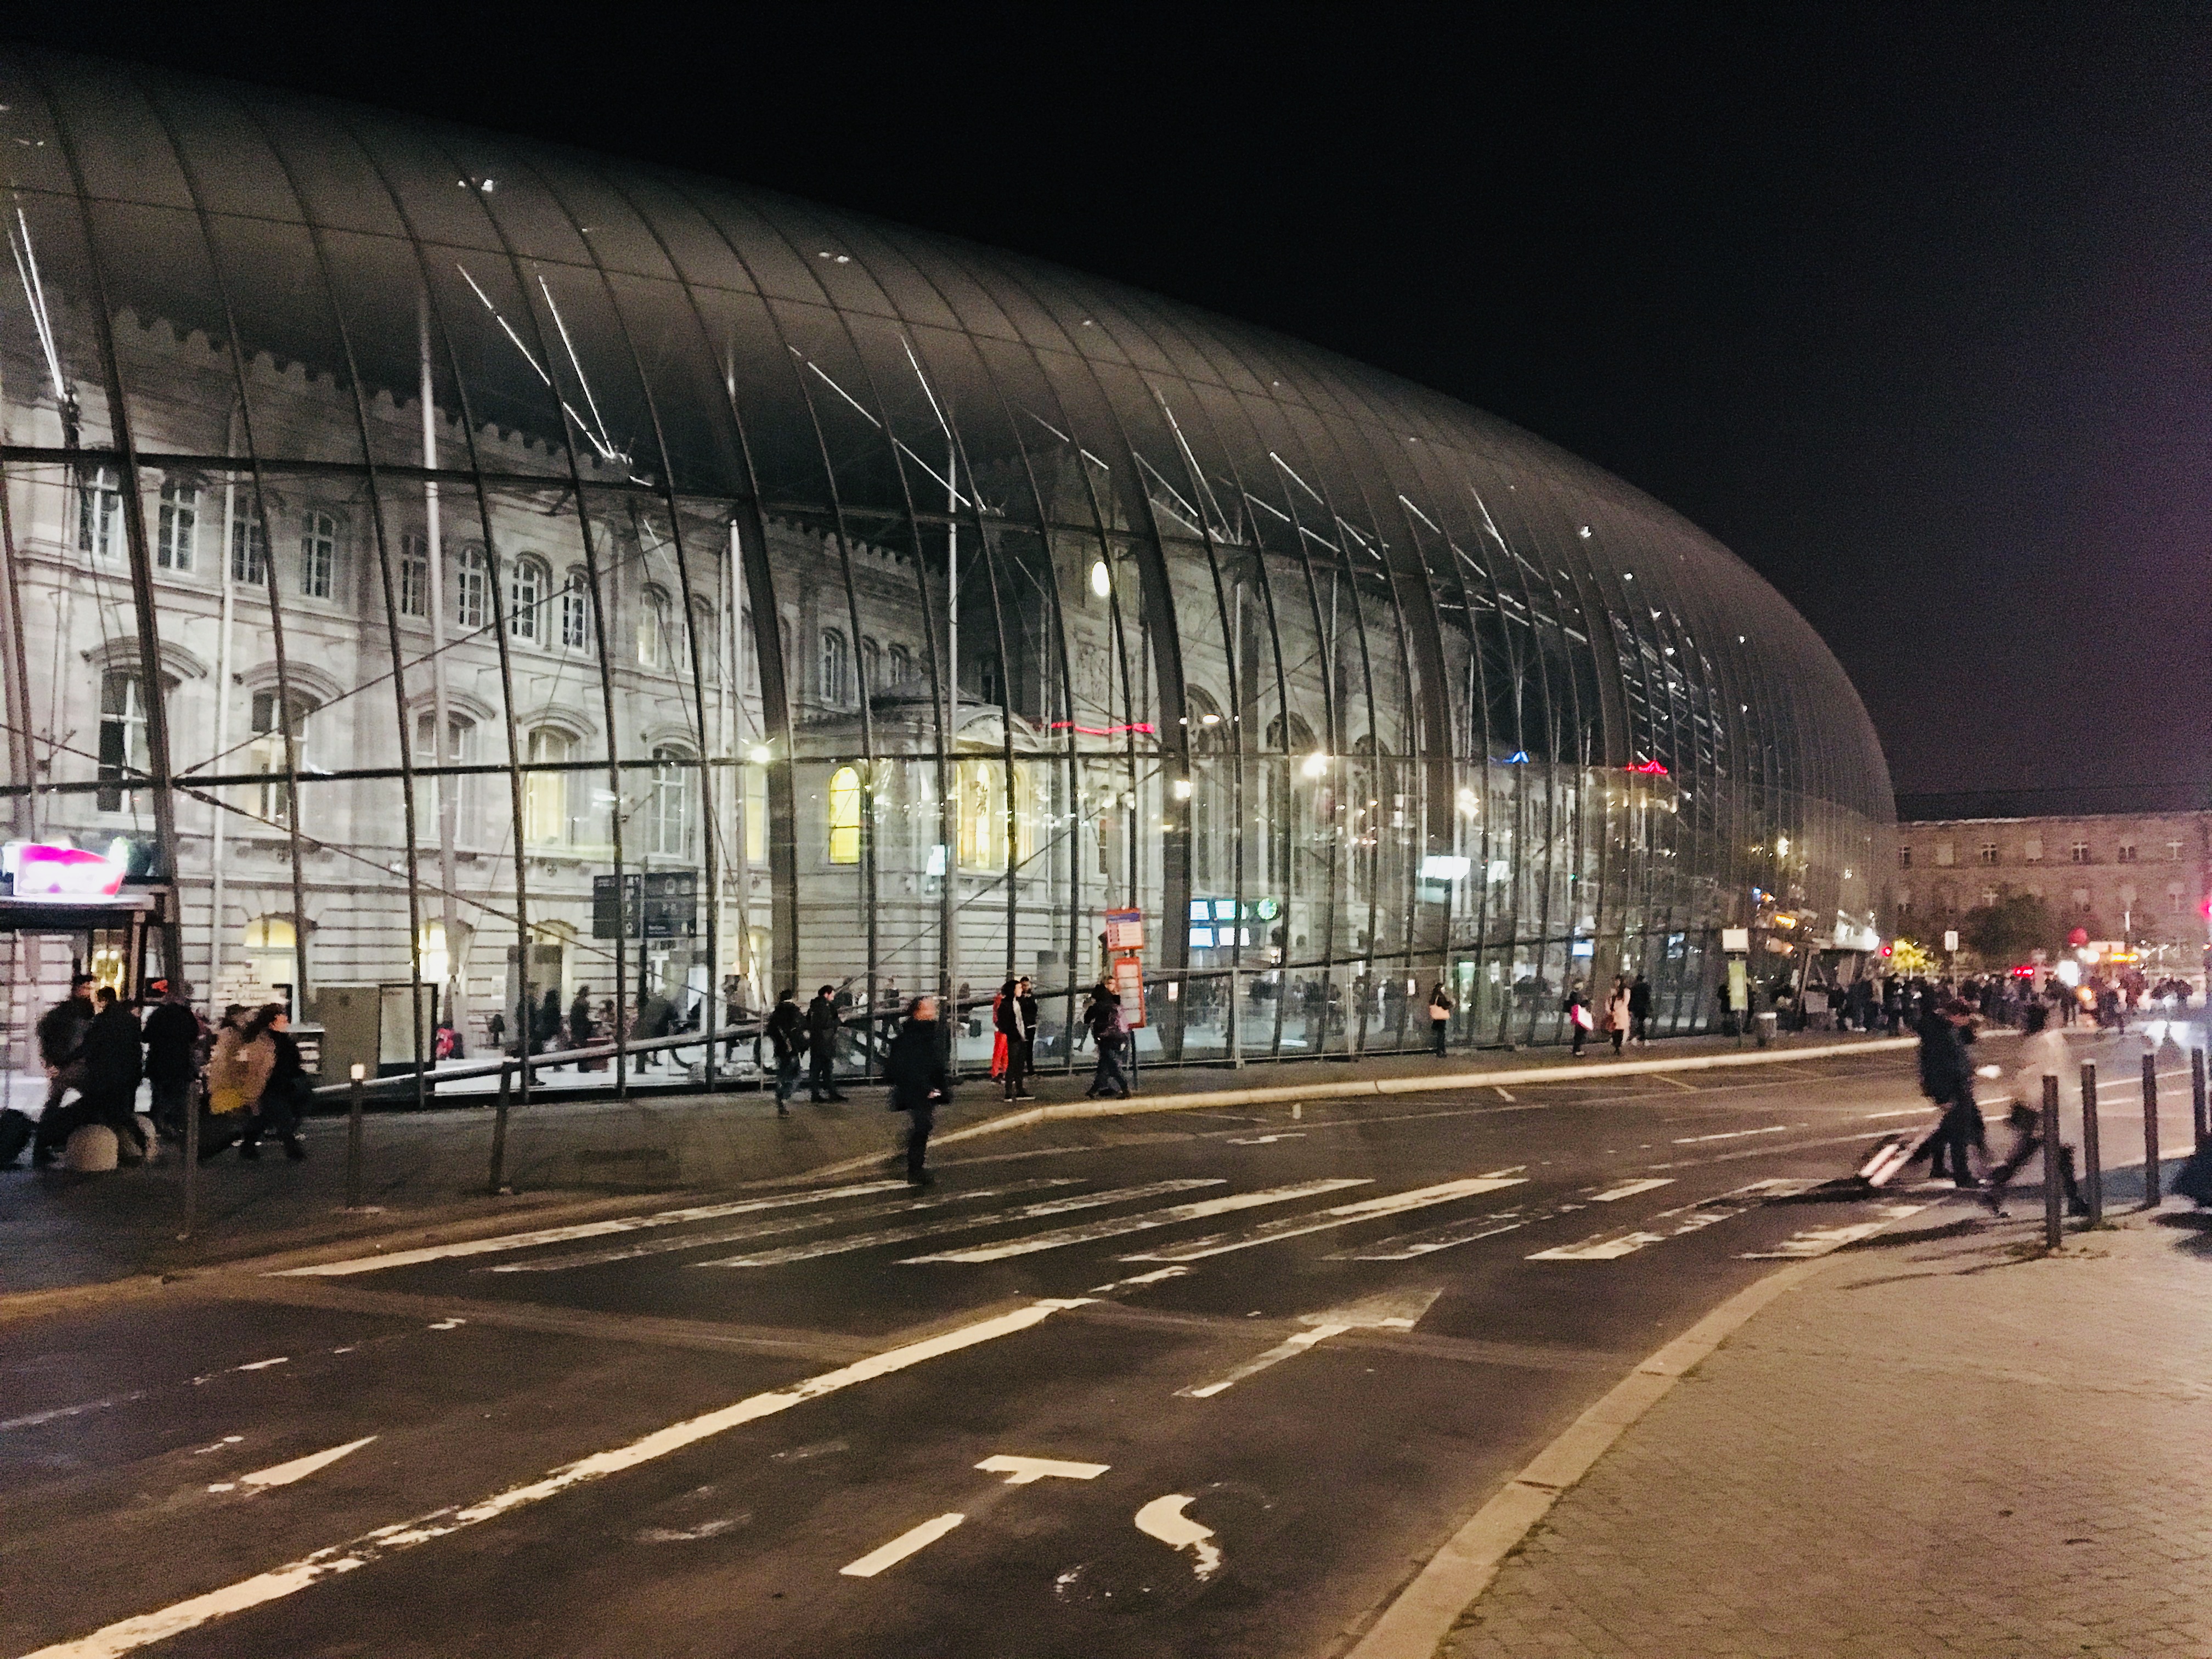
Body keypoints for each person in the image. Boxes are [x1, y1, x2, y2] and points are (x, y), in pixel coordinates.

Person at [1984, 1002, 2083, 1217]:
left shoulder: (2036, 1041)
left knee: (2035, 1152)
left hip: (2046, 1104)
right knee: (2057, 1153)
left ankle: (1996, 1188)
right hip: (2051, 1105)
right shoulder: (2049, 1040)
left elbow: (2030, 1075)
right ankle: (2074, 1200)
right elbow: (2046, 1074)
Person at [1914, 996, 1983, 1189]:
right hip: (1952, 1088)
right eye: (1965, 1018)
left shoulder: (1948, 1030)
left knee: (1948, 1128)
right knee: (1959, 1135)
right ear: (1956, 1016)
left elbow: (1966, 1043)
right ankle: (1962, 1176)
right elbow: (1935, 1068)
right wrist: (1942, 1096)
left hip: (1958, 1086)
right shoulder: (1940, 1035)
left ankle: (1936, 1164)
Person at [29, 974, 97, 1167]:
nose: (90, 992)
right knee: (86, 1101)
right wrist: (52, 1060)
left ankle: (46, 1145)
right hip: (70, 1065)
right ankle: (50, 1143)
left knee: (55, 1104)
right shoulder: (70, 1011)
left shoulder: (80, 1010)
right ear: (77, 989)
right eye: (87, 988)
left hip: (72, 1064)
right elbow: (46, 1031)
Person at [883, 995, 950, 1185]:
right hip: (916, 1089)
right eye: (927, 1008)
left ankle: (909, 1155)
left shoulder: (932, 1032)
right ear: (917, 1012)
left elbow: (935, 1062)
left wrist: (940, 1086)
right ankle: (915, 1170)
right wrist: (926, 1087)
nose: (932, 1011)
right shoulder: (911, 1037)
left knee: (924, 1126)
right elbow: (907, 1066)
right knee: (923, 1125)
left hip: (927, 1088)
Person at [238, 1005, 308, 1161]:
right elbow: (260, 1065)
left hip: (277, 1083)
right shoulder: (267, 1041)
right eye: (282, 1018)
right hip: (272, 1084)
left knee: (265, 1117)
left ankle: (248, 1147)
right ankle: (292, 1150)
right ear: (272, 1022)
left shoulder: (274, 1039)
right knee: (281, 1117)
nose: (286, 1021)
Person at [203, 1004, 274, 1161]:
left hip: (228, 1083)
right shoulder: (231, 1034)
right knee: (239, 1120)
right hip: (230, 1084)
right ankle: (208, 1150)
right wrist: (240, 1074)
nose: (245, 1018)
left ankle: (243, 1148)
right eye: (243, 1015)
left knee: (241, 1119)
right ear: (235, 1016)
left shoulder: (230, 1032)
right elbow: (228, 1061)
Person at [142, 981, 205, 1146]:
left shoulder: (158, 1014)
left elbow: (146, 1037)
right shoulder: (186, 1015)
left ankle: (157, 1127)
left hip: (159, 1063)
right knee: (177, 1098)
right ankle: (174, 1128)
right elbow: (194, 1037)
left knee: (158, 1097)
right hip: (180, 1064)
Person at [1084, 980, 1131, 1098]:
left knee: (1112, 1065)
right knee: (1104, 1065)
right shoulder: (1114, 1004)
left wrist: (1090, 1007)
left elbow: (1086, 1019)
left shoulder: (1097, 1007)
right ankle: (1093, 1090)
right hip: (1119, 1037)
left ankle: (1125, 1089)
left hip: (1105, 1038)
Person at [995, 976, 1039, 1100]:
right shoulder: (1006, 1005)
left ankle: (1020, 1090)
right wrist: (1012, 1032)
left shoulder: (1021, 1002)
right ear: (1013, 990)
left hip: (1022, 1035)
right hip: (1015, 1037)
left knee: (1020, 1064)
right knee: (1013, 1063)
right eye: (1019, 988)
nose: (1022, 990)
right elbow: (1002, 1023)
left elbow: (1031, 1012)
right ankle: (1009, 1092)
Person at [765, 987, 805, 1116]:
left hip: (780, 1049)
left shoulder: (776, 1013)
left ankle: (780, 1096)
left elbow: (770, 1030)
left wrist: (779, 1042)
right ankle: (783, 1097)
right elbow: (801, 1028)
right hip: (792, 1049)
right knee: (796, 1075)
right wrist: (801, 1044)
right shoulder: (794, 1011)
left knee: (782, 1074)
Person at [804, 985, 844, 1101]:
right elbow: (826, 1024)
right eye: (832, 995)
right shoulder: (825, 1007)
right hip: (825, 1042)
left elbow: (808, 1023)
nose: (833, 998)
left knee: (817, 1069)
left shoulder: (813, 1007)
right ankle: (828, 1093)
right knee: (826, 1069)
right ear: (826, 994)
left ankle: (818, 1093)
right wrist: (839, 1021)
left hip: (816, 1042)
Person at [1605, 978, 1632, 1056]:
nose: (1616, 983)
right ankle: (1616, 1046)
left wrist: (1617, 1011)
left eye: (1618, 981)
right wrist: (1609, 1010)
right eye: (1615, 981)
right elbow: (1608, 1001)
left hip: (1621, 1015)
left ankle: (1618, 1047)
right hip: (1613, 1014)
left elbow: (1625, 1003)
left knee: (1620, 1031)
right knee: (1614, 1031)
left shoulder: (1625, 991)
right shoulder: (1613, 990)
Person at [1564, 983, 1592, 1057]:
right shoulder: (1576, 995)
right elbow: (1580, 1004)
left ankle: (1576, 1049)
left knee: (1579, 1032)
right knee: (1580, 1032)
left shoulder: (1574, 994)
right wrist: (1587, 1002)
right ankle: (1577, 1049)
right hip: (1579, 1015)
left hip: (1577, 1014)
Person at [1426, 982, 1453, 1057]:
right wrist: (1450, 1004)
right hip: (1441, 1018)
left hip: (1436, 1017)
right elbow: (1444, 1006)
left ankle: (1440, 1050)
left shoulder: (1434, 996)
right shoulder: (1440, 996)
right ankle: (1441, 1050)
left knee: (1439, 1034)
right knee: (1441, 1034)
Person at [1628, 974, 1654, 1045]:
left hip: (1636, 1008)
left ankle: (1638, 1036)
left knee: (1637, 1022)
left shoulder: (1634, 988)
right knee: (1642, 1022)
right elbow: (1648, 999)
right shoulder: (1646, 988)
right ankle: (1642, 1037)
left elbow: (1631, 999)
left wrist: (1630, 1008)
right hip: (1644, 1008)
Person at [569, 985, 595, 1054]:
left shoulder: (576, 1001)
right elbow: (586, 1013)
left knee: (577, 1039)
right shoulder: (585, 1002)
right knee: (583, 1040)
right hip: (582, 1023)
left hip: (576, 1023)